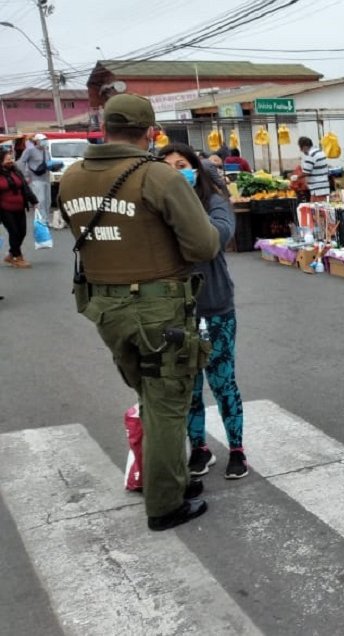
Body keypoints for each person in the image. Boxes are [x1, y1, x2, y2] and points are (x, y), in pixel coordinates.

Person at [59, 93, 220, 531]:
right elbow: (203, 245)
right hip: (158, 307)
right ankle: (165, 503)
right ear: (150, 132)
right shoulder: (156, 176)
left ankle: (170, 476)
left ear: (104, 127)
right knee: (167, 401)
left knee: (150, 395)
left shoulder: (70, 177)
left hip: (104, 306)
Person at [158, 143, 248, 479]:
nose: (175, 172)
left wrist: (183, 209)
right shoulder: (155, 207)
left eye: (181, 164)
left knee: (223, 381)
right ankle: (199, 448)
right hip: (176, 309)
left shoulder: (212, 200)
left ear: (194, 168)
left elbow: (219, 235)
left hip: (214, 303)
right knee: (188, 383)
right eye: (166, 168)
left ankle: (237, 449)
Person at [0, 148, 38, 268]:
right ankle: (17, 257)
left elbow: (25, 187)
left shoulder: (16, 171)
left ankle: (11, 254)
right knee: (14, 232)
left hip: (20, 207)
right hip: (5, 209)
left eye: (11, 158)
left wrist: (34, 201)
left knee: (22, 232)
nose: (11, 161)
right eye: (7, 159)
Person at [16, 133, 51, 225]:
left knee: (48, 200)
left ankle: (46, 219)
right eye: (43, 140)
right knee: (40, 200)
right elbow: (21, 162)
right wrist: (25, 176)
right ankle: (41, 220)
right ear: (37, 141)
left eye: (45, 140)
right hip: (35, 179)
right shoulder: (30, 150)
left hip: (46, 178)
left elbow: (48, 163)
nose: (45, 142)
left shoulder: (46, 151)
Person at [298, 136, 330, 201]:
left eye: (301, 148)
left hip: (317, 189)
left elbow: (306, 172)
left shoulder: (311, 155)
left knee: (316, 209)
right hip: (324, 186)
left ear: (305, 147)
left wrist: (296, 177)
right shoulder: (320, 151)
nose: (301, 150)